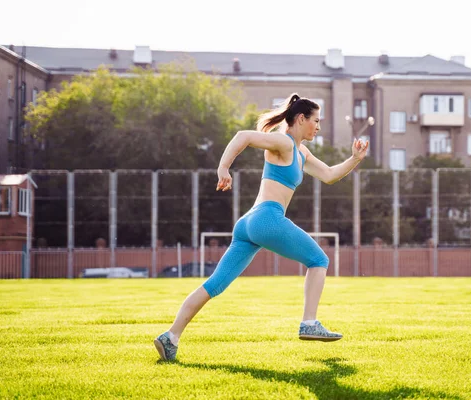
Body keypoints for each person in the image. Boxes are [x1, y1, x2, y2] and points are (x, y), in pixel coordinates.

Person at [154, 93, 369, 361]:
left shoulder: (301, 152)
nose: (319, 126)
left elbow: (328, 175)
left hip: (248, 224)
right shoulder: (284, 142)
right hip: (267, 218)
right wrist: (223, 168)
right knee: (319, 259)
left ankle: (170, 337)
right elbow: (243, 136)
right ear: (301, 119)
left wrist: (355, 159)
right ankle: (309, 322)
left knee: (215, 285)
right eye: (316, 120)